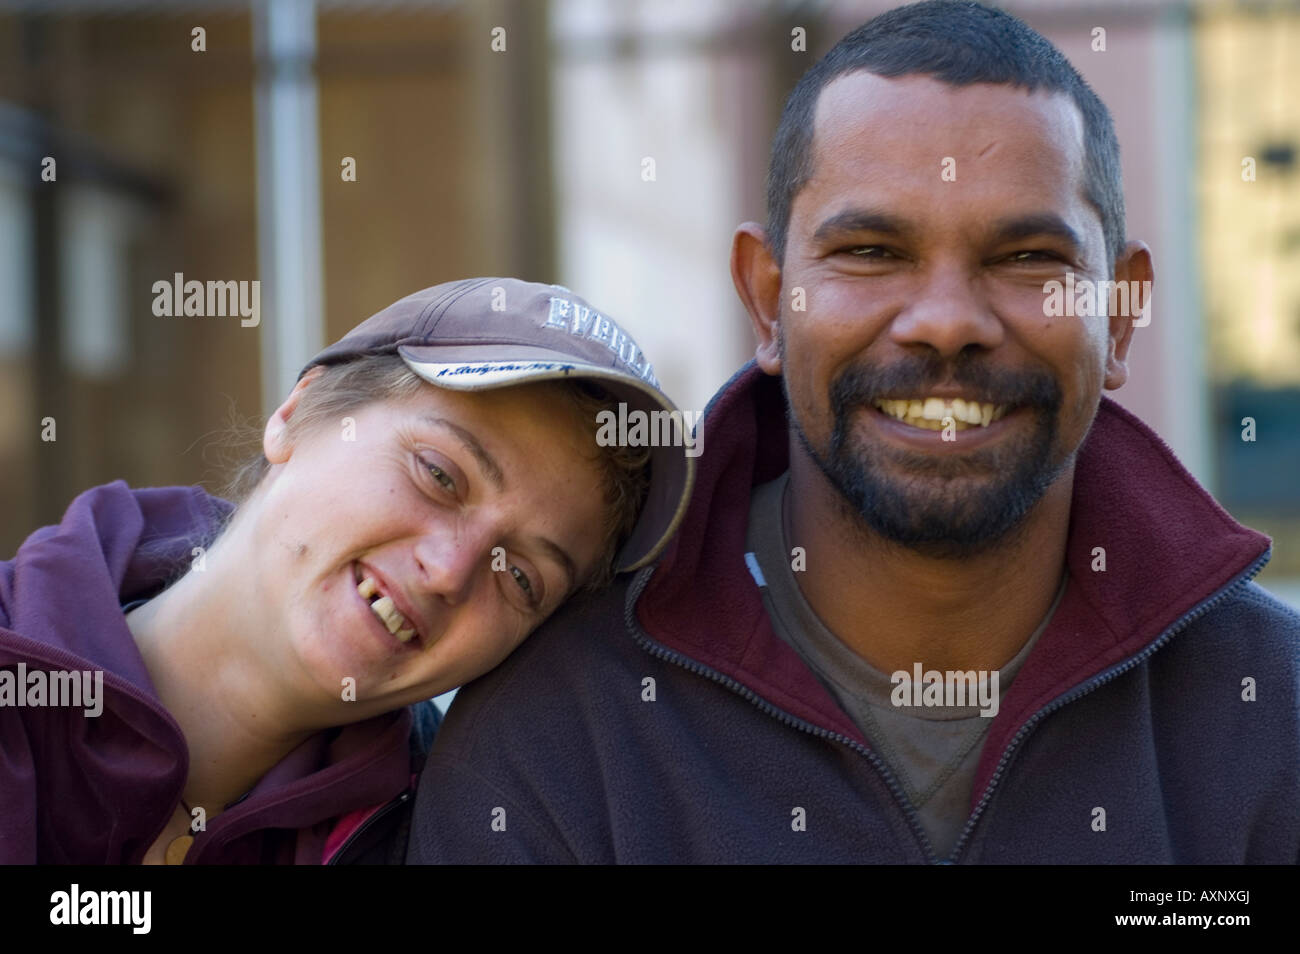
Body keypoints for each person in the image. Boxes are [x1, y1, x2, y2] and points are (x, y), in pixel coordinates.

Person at [405, 1, 1300, 863]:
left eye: (1028, 257)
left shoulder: (1275, 713)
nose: (946, 322)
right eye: (871, 252)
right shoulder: (561, 733)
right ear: (767, 298)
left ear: (1120, 315)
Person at [0, 277, 693, 864]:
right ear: (297, 413)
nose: (450, 570)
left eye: (522, 580)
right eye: (439, 474)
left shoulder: (446, 838)